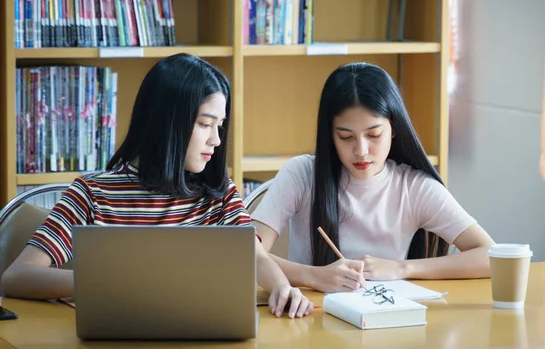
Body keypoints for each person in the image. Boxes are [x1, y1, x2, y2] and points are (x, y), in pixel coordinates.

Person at [1, 53, 313, 319]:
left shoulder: (218, 192)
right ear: (167, 122)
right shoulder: (92, 194)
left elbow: (254, 255)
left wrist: (283, 287)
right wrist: (109, 284)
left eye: (220, 126)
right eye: (205, 124)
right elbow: (16, 277)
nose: (216, 140)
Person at [252, 62, 495, 293]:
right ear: (330, 135)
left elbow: (490, 255)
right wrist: (313, 276)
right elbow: (245, 252)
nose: (361, 151)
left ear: (394, 129)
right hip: (310, 315)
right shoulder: (301, 175)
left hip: (386, 322)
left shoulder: (414, 188)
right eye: (346, 137)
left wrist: (402, 268)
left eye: (374, 135)